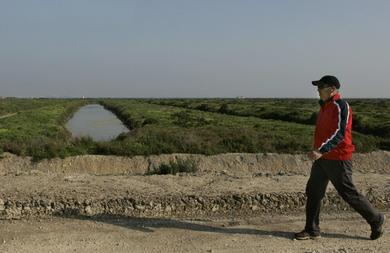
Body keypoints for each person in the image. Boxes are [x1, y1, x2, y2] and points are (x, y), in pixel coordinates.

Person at [294, 75, 385, 240]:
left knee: (348, 193)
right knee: (314, 191)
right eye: (318, 87)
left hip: (339, 158)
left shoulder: (341, 106)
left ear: (332, 89)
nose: (318, 90)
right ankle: (312, 229)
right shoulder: (325, 106)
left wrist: (321, 150)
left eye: (321, 87)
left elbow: (339, 133)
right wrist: (319, 151)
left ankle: (376, 219)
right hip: (322, 159)